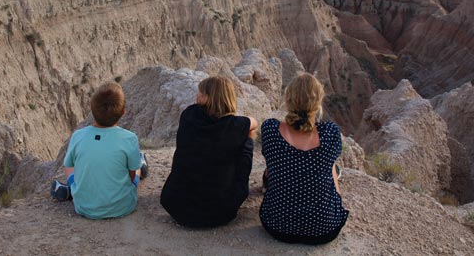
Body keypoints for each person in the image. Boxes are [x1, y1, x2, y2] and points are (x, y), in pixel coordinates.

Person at [259, 73, 348, 244]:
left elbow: (271, 165)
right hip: (324, 229)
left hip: (277, 226)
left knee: (275, 163)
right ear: (317, 102)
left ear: (288, 99)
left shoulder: (270, 129)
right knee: (331, 167)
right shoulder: (330, 133)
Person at [160, 76, 257, 227]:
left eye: (201, 93)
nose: (197, 95)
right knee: (248, 137)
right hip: (220, 212)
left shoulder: (189, 114)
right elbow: (254, 122)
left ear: (209, 97)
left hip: (176, 206)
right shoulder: (236, 125)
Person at [50, 81, 148, 219]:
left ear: (92, 110)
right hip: (122, 206)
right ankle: (141, 164)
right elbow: (131, 177)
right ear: (123, 112)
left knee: (69, 166)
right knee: (135, 168)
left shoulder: (78, 135)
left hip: (83, 206)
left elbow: (69, 164)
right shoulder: (129, 139)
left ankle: (72, 190)